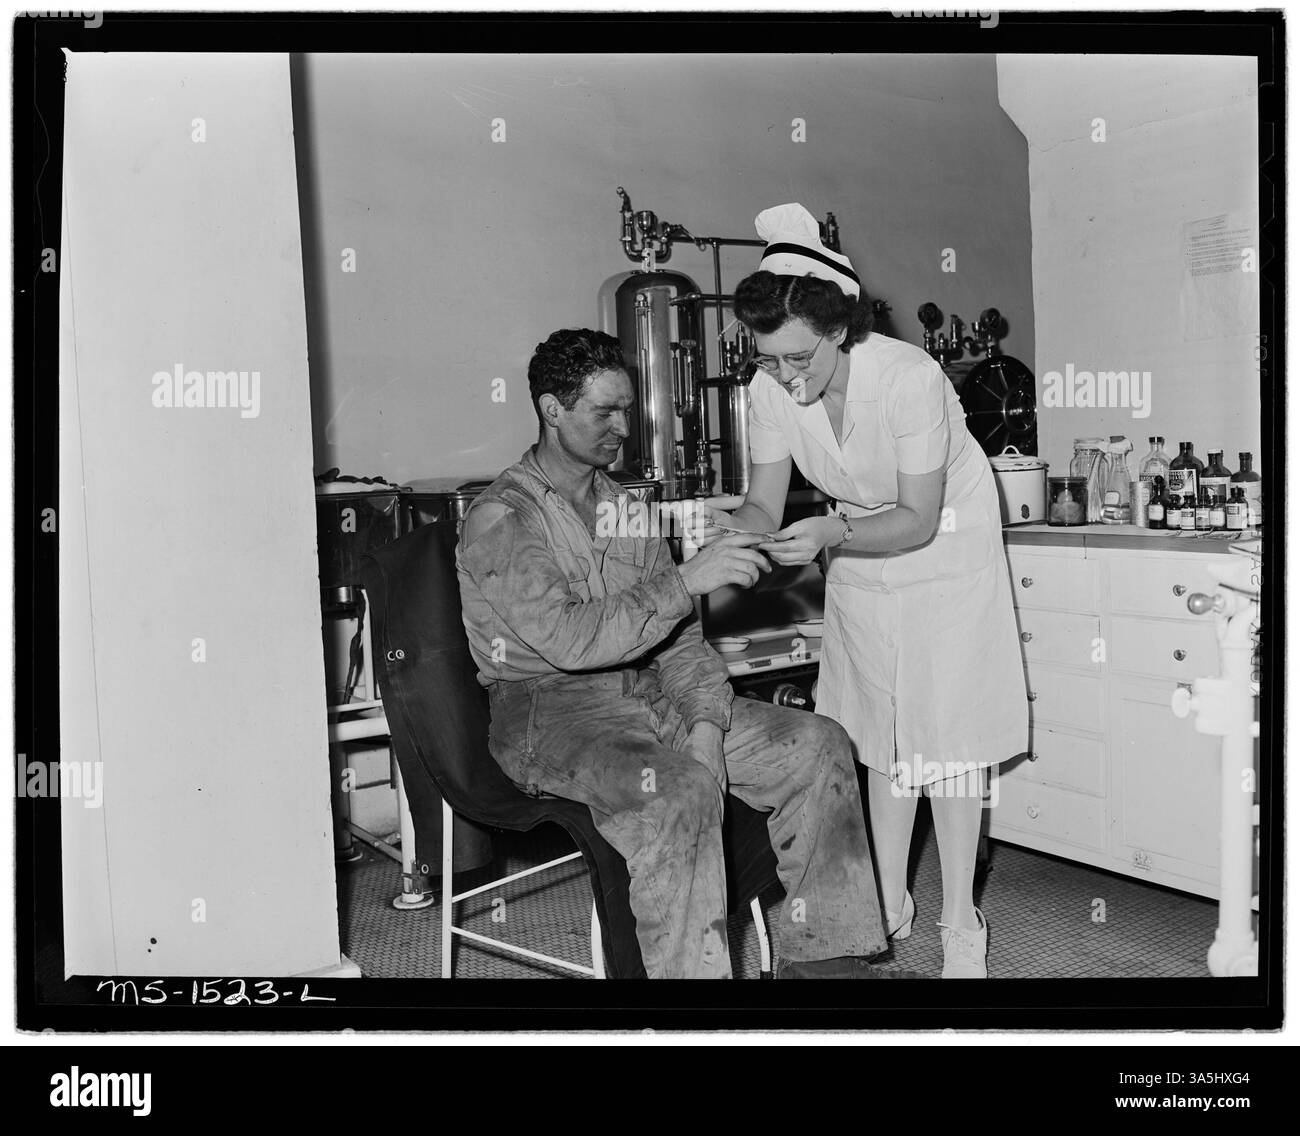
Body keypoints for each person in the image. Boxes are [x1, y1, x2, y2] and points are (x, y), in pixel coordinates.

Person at [455, 327, 923, 979]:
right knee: (678, 792)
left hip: (649, 701)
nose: (623, 426)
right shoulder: (501, 517)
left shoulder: (623, 508)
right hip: (552, 719)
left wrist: (705, 725)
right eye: (604, 412)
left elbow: (678, 641)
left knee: (819, 744)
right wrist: (687, 579)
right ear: (551, 410)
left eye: (627, 408)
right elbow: (568, 640)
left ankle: (826, 961)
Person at [697, 204, 1029, 978]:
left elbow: (915, 518)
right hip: (854, 542)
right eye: (769, 359)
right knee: (874, 732)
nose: (784, 376)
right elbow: (764, 503)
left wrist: (830, 535)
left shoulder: (908, 379)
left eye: (797, 359)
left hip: (944, 542)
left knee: (946, 742)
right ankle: (887, 903)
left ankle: (958, 922)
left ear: (839, 329)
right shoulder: (770, 388)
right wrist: (730, 523)